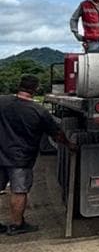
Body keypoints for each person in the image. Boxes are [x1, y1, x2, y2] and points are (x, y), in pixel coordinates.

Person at [0, 74, 76, 237]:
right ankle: (16, 225)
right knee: (19, 191)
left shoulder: (2, 101)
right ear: (35, 89)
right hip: (21, 158)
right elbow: (57, 134)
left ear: (19, 85)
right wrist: (70, 145)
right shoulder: (38, 111)